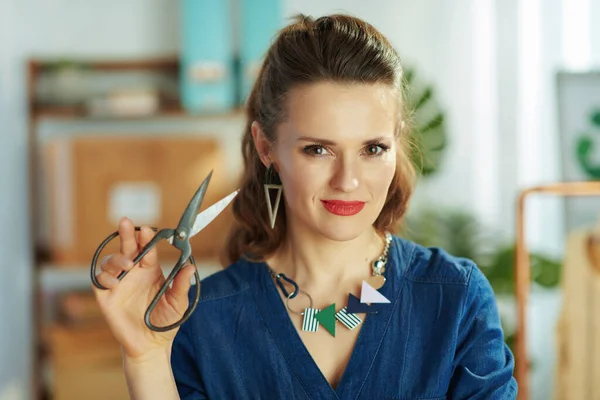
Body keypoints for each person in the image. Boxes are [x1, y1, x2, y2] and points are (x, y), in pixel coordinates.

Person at [93, 13, 518, 399]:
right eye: (318, 150)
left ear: (396, 143)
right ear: (266, 148)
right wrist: (146, 358)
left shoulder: (453, 297)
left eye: (372, 148)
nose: (348, 180)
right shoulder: (205, 319)